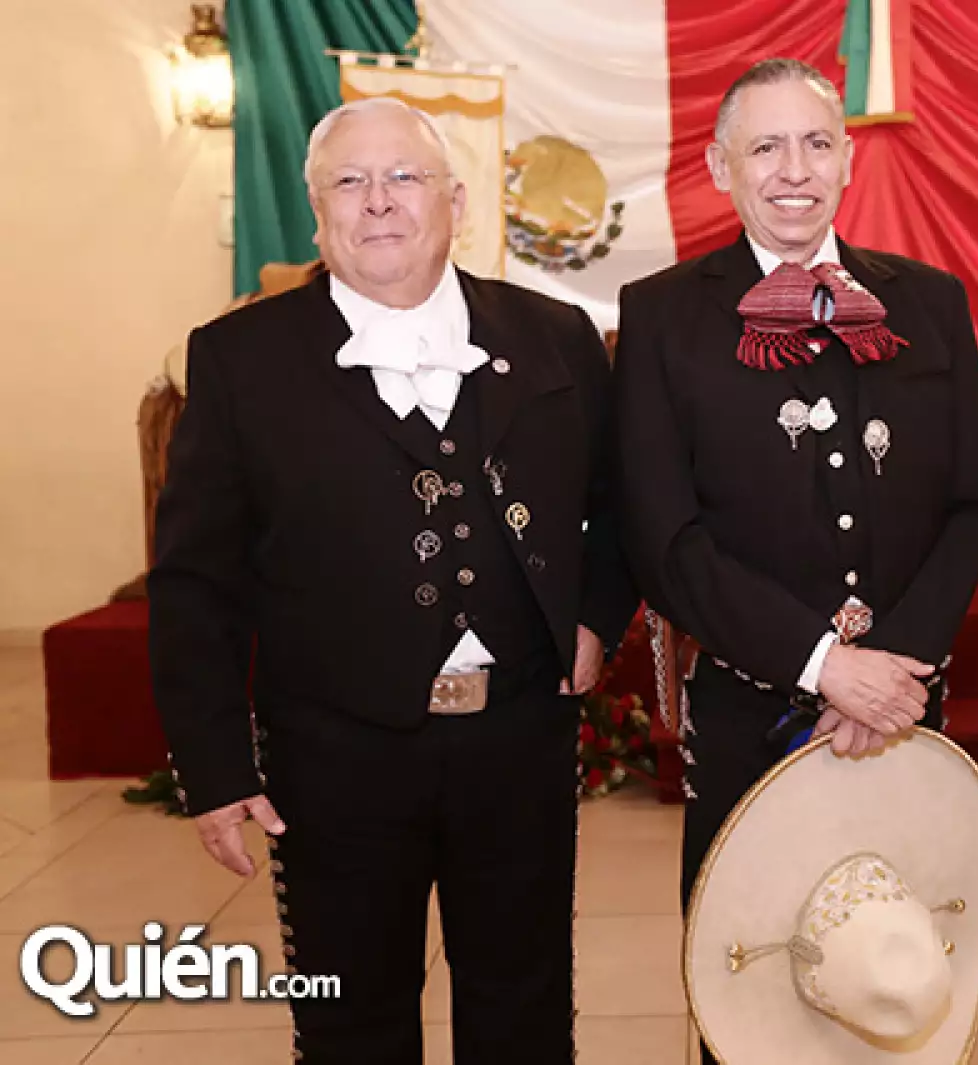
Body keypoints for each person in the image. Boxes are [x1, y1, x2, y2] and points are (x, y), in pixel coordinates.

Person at [148, 96, 636, 1064]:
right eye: (349, 182)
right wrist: (214, 770)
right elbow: (195, 582)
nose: (378, 202)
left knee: (525, 1007)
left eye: (402, 177)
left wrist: (594, 617)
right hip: (333, 755)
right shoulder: (239, 359)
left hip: (518, 741)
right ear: (317, 211)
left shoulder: (557, 340)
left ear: (455, 201)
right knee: (350, 1022)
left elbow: (621, 504)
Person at [611, 57, 978, 1063]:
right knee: (750, 988)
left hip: (906, 709)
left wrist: (895, 666)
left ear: (848, 160)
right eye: (766, 145)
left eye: (816, 142)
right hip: (752, 712)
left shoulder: (932, 300)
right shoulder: (661, 315)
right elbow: (663, 538)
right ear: (718, 166)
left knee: (898, 977)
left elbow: (968, 503)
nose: (794, 168)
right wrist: (830, 669)